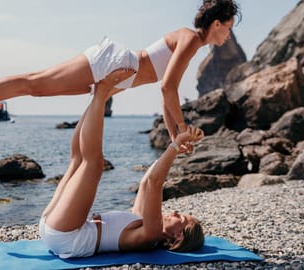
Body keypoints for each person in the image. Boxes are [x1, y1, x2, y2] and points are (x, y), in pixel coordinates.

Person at [0, 0, 240, 141]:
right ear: (216, 24)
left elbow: (165, 96)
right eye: (228, 27)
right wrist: (183, 129)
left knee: (35, 90)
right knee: (32, 81)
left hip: (114, 78)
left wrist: (174, 137)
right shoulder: (188, 39)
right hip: (113, 65)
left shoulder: (192, 44)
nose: (229, 35)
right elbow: (167, 87)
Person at [39, 68, 205, 258]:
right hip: (58, 229)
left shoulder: (150, 234)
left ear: (177, 238)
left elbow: (155, 184)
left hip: (67, 237)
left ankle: (102, 92)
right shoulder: (143, 221)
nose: (175, 212)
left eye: (182, 218)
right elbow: (146, 182)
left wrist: (175, 146)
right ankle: (98, 96)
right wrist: (175, 150)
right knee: (77, 160)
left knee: (93, 164)